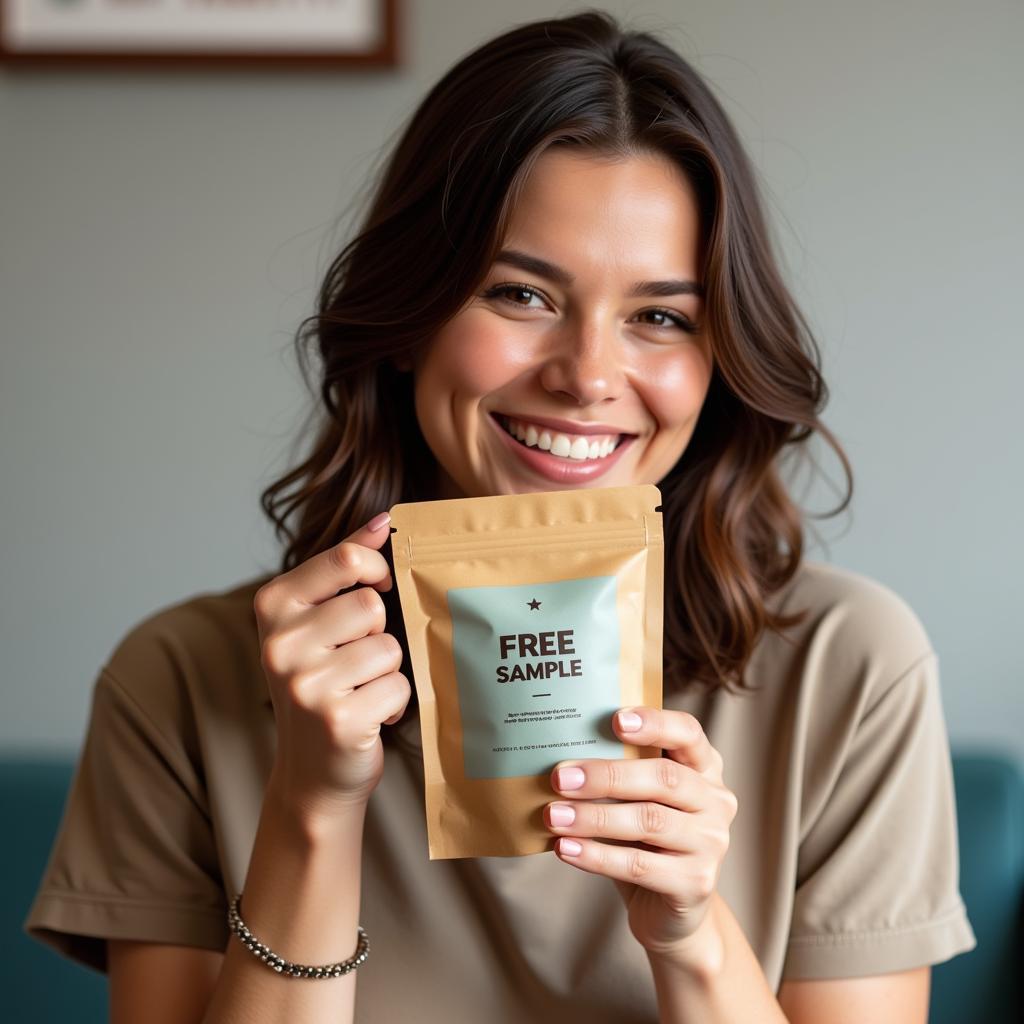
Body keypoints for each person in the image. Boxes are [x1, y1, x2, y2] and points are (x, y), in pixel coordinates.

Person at [24, 10, 976, 1023]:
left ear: (719, 363)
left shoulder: (847, 669)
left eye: (660, 317)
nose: (586, 377)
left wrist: (692, 937)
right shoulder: (182, 682)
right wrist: (310, 806)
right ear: (406, 321)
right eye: (520, 294)